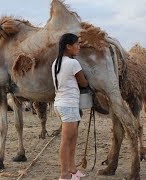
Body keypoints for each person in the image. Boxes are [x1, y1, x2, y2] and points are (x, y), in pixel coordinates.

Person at [52, 33, 88, 180]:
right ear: (68, 46)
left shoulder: (56, 62)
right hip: (69, 105)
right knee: (66, 140)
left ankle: (72, 169)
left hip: (61, 104)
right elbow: (83, 83)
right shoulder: (73, 63)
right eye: (77, 44)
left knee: (72, 137)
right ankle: (64, 174)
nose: (79, 47)